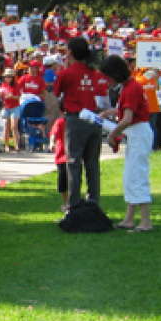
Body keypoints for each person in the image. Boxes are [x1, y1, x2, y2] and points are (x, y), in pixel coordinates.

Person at [99, 55, 154, 232]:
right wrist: (110, 112)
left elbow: (127, 118)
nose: (108, 80)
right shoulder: (130, 86)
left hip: (138, 132)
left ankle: (146, 221)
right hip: (137, 132)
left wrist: (113, 134)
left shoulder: (130, 88)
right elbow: (127, 109)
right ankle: (129, 218)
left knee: (138, 175)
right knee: (131, 175)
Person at [53, 37, 108, 206]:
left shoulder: (66, 73)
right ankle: (93, 202)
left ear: (70, 52)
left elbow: (56, 93)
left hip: (75, 120)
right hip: (94, 119)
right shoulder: (95, 73)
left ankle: (74, 204)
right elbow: (103, 92)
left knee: (74, 162)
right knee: (92, 164)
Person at [49, 112, 68, 212]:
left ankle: (68, 203)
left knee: (67, 182)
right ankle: (66, 203)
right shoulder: (60, 122)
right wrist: (52, 142)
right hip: (62, 156)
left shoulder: (67, 122)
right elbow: (53, 133)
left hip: (67, 157)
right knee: (64, 182)